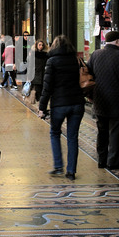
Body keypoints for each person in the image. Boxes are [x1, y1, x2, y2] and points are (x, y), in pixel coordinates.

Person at [38, 35, 85, 180]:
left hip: (59, 104)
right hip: (77, 103)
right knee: (72, 137)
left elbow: (47, 87)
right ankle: (71, 171)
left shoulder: (51, 61)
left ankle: (58, 166)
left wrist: (42, 107)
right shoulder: (76, 59)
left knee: (55, 133)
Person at [87, 31, 119, 170]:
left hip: (99, 101)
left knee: (102, 131)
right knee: (115, 132)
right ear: (117, 41)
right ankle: (113, 162)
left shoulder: (95, 54)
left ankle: (101, 160)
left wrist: (92, 95)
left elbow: (89, 76)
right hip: (117, 102)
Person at [29, 39, 48, 104]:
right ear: (36, 46)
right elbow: (30, 65)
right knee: (37, 91)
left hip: (44, 75)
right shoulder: (33, 54)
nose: (41, 46)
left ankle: (41, 106)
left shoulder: (46, 55)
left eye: (42, 45)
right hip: (36, 74)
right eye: (39, 45)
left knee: (43, 91)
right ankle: (39, 105)